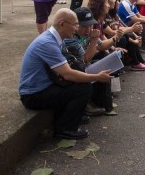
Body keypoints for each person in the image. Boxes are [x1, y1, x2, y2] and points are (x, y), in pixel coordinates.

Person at [18, 8, 113, 140]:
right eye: (75, 24)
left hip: (47, 85)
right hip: (33, 94)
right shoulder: (47, 43)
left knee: (80, 82)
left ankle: (72, 117)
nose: (76, 28)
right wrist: (97, 77)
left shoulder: (56, 38)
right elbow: (68, 74)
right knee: (83, 87)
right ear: (62, 24)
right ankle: (65, 129)